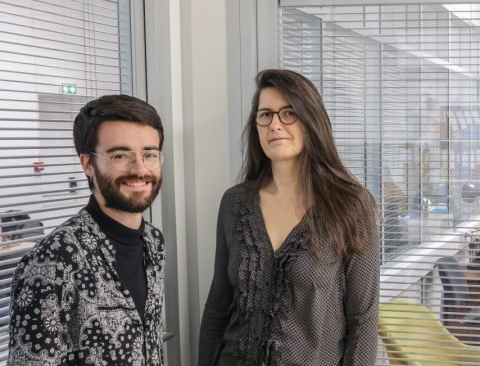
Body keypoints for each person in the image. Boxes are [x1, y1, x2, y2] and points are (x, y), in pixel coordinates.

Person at [198, 69, 379, 366]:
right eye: (265, 115)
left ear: (311, 121)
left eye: (288, 113)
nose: (275, 125)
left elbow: (363, 320)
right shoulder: (235, 203)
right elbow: (218, 306)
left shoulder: (352, 205)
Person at [8, 94, 166, 366]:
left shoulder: (153, 241)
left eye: (149, 154)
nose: (140, 169)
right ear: (88, 164)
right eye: (120, 155)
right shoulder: (52, 262)